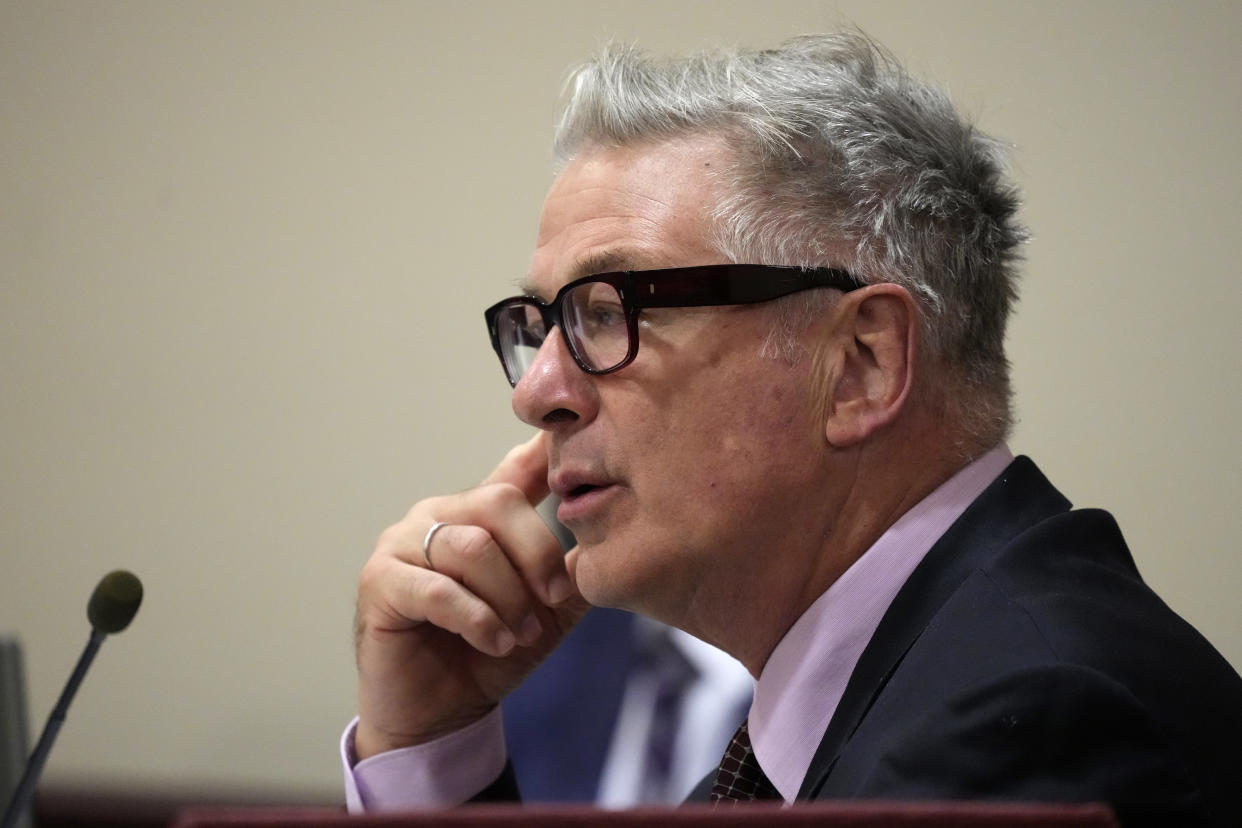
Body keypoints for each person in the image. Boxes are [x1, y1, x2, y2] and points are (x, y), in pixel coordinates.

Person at [342, 32, 1242, 825]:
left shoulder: (1028, 724)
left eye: (610, 310)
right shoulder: (883, 692)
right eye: (539, 327)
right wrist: (436, 745)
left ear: (860, 366)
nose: (539, 390)